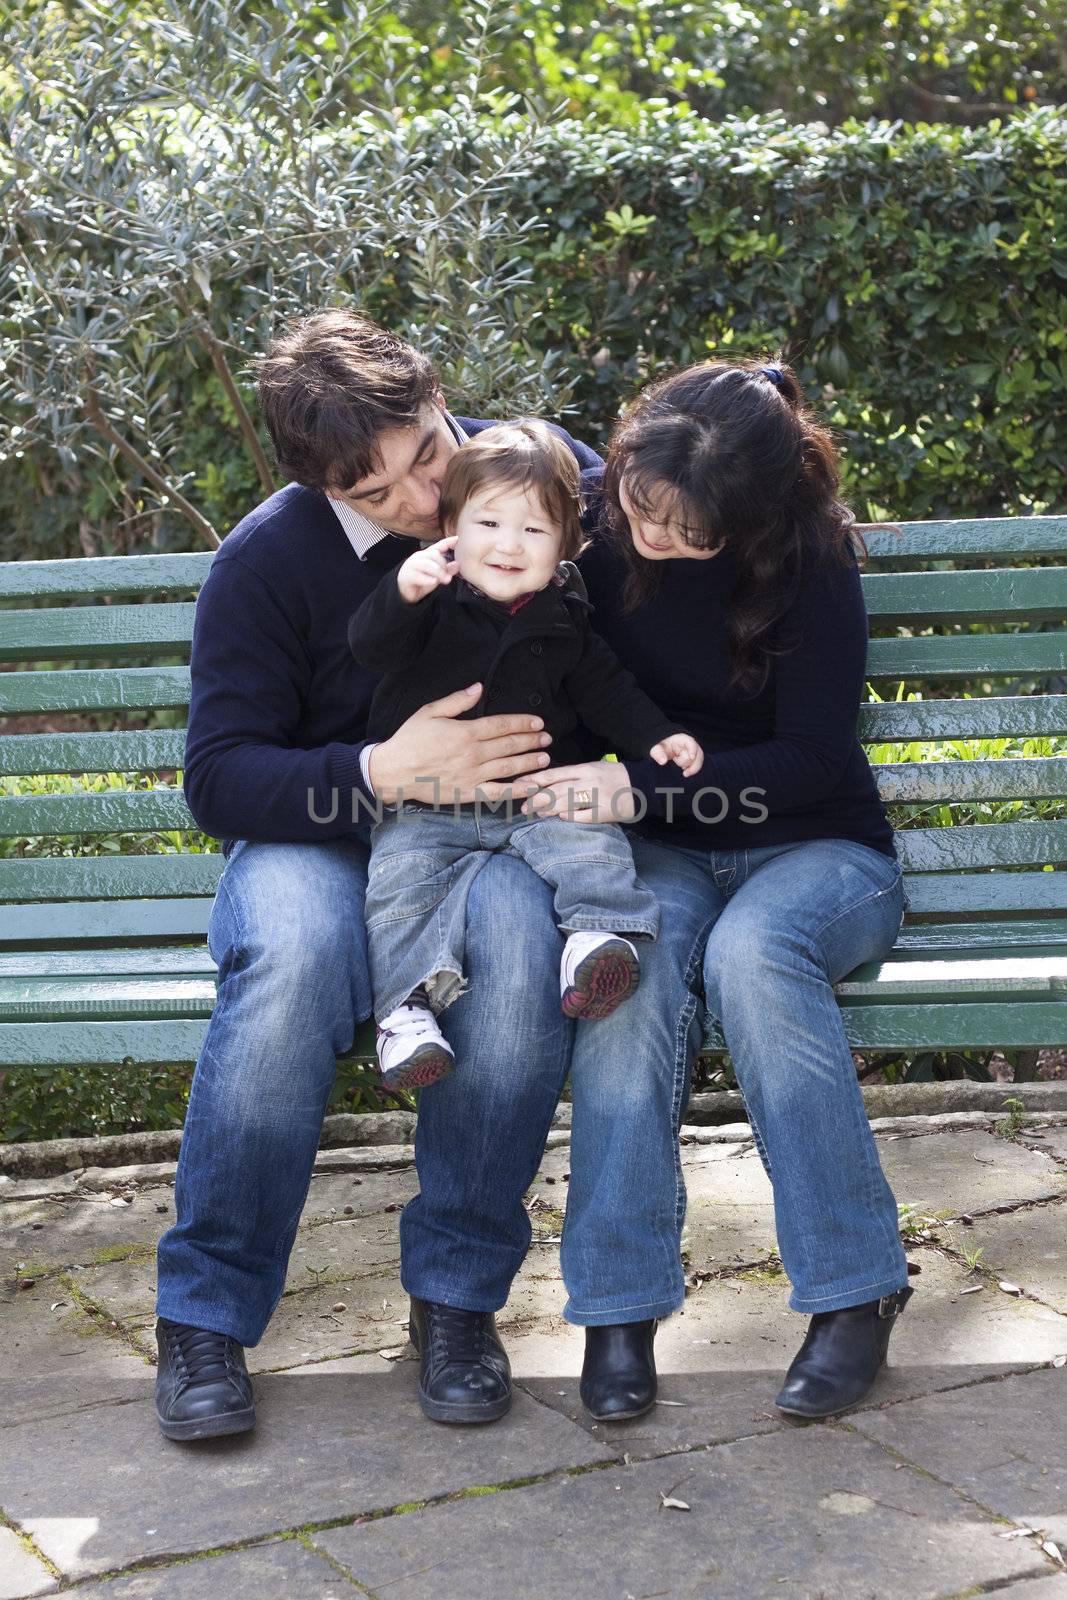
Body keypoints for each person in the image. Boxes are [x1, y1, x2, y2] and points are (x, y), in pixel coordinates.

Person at [152, 310, 712, 1438]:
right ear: (323, 490)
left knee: (514, 950)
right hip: (324, 830)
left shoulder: (534, 477)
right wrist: (381, 769)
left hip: (499, 831)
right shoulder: (266, 561)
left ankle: (454, 1300)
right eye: (376, 494)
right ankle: (205, 1317)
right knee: (297, 957)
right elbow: (217, 776)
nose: (420, 502)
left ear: (440, 401)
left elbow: (683, 529)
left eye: (426, 455)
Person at [529, 357, 914, 1420]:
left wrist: (628, 789)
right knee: (627, 972)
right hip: (659, 851)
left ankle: (852, 1291)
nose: (648, 538)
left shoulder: (810, 555)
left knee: (752, 954)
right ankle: (616, 1305)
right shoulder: (600, 527)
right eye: (637, 511)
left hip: (817, 850)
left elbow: (809, 761)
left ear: (746, 520)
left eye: (683, 532)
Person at [349, 419, 703, 1089]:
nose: (507, 546)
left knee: (590, 841)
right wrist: (401, 592)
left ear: (566, 545)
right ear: (451, 524)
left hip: (530, 792)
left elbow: (606, 690)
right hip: (426, 802)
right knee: (400, 889)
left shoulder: (564, 612)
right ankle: (405, 1014)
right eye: (487, 524)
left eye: (533, 531)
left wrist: (655, 737)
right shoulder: (427, 596)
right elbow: (371, 650)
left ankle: (597, 942)